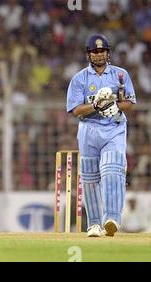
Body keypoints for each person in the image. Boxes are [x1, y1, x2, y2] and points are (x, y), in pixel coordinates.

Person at [66, 34, 136, 237]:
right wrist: (96, 105)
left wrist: (114, 106)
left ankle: (112, 218)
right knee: (89, 177)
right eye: (95, 52)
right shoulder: (79, 78)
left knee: (112, 169)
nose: (99, 55)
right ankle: (94, 224)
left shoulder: (120, 75)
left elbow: (130, 103)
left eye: (102, 51)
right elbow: (76, 110)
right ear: (88, 55)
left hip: (113, 128)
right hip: (88, 129)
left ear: (108, 52)